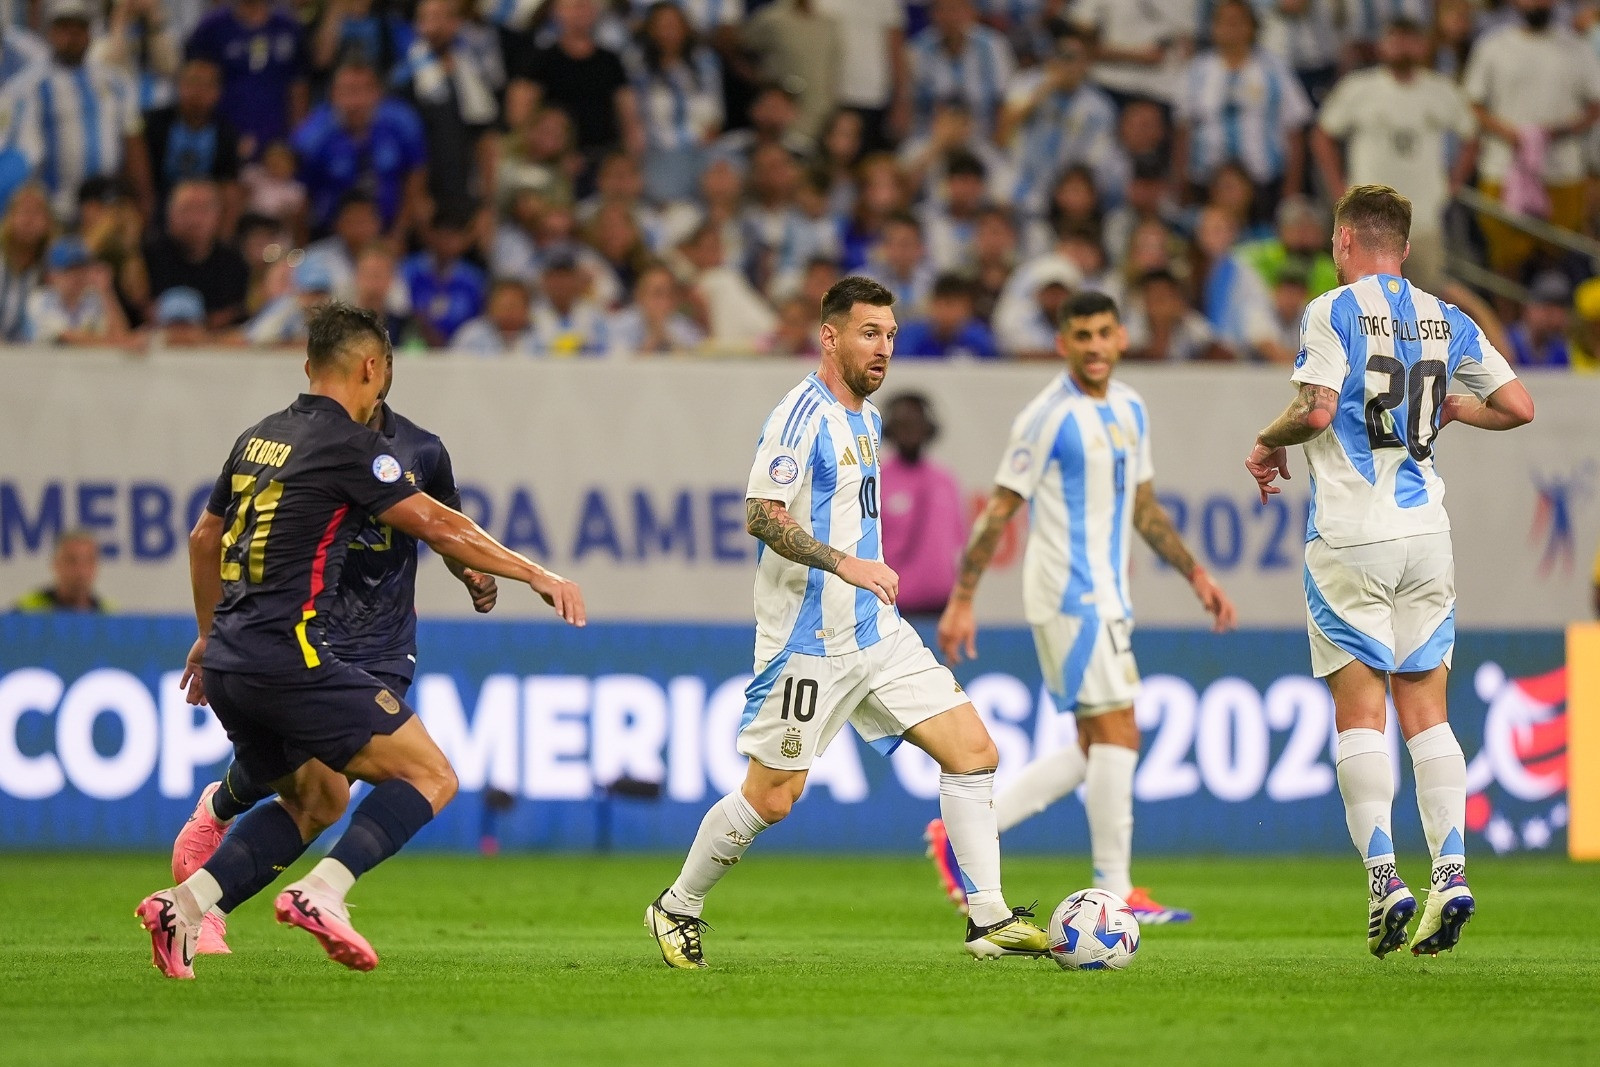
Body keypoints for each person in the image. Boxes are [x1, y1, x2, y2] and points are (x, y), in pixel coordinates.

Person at [137, 302, 585, 979]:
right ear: (373, 368)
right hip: (292, 658)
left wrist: (207, 634)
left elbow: (205, 537)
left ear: (307, 363)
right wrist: (534, 572)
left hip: (230, 660)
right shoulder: (350, 445)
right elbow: (439, 524)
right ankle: (323, 889)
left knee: (318, 798)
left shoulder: (258, 436)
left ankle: (186, 904)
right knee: (432, 775)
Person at [645, 276, 1051, 969]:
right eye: (869, 332)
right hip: (809, 641)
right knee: (773, 797)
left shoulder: (866, 417)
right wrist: (843, 562)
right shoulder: (799, 416)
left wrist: (862, 579)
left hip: (875, 631)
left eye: (891, 335)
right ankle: (677, 905)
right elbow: (760, 514)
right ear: (828, 336)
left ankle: (988, 919)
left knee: (974, 751)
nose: (884, 348)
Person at [1243, 184, 1535, 958]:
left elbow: (1313, 411)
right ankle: (1452, 870)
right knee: (1428, 714)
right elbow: (1519, 404)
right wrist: (1456, 410)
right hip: (1426, 536)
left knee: (1361, 712)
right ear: (1402, 248)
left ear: (1343, 243)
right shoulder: (1446, 316)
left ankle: (1385, 879)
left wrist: (1266, 441)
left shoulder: (1330, 309)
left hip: (1351, 534)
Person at [169, 333, 500, 956]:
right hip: (308, 633)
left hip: (380, 642)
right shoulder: (312, 445)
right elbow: (217, 538)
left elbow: (445, 525)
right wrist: (216, 630)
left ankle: (201, 905)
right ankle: (228, 813)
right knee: (342, 785)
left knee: (326, 794)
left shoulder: (420, 450)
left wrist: (472, 576)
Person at [933, 289, 1236, 926]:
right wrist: (963, 599)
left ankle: (961, 833)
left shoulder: (1130, 407)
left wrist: (1195, 574)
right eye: (1081, 336)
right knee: (1119, 733)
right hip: (1069, 595)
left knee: (1094, 743)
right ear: (1062, 343)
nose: (1095, 346)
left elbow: (1146, 510)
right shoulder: (1046, 417)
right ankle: (1116, 891)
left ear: (1121, 338)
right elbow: (998, 511)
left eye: (1104, 333)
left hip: (1109, 594)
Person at [1313, 17, 1476, 294]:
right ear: (1382, 46)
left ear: (1424, 46)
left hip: (1423, 218)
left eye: (1411, 40)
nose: (1403, 48)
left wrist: (1453, 185)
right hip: (1366, 220)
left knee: (1424, 302)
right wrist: (1339, 188)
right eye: (1395, 39)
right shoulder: (1359, 88)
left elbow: (1471, 137)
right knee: (1363, 302)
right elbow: (1322, 135)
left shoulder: (1441, 90)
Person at [1462, 0, 1600, 278]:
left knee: (1556, 262)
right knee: (1505, 263)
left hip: (1562, 171)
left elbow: (1595, 105)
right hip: (1502, 170)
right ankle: (1503, 322)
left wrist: (1557, 131)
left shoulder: (1578, 48)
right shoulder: (1493, 46)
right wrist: (1513, 135)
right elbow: (1473, 103)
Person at [1, 0, 153, 220]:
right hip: (54, 210)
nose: (72, 37)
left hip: (108, 206)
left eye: (79, 29)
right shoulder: (25, 88)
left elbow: (132, 139)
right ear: (51, 32)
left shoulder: (115, 82)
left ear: (89, 34)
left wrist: (143, 198)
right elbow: (18, 154)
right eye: (64, 29)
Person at [1173, 0, 1312, 223]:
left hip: (1265, 183)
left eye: (1238, 22)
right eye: (1224, 22)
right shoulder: (1196, 71)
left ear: (1252, 28)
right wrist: (1181, 182)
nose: (1231, 28)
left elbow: (1295, 129)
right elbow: (1183, 130)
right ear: (1213, 28)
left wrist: (1291, 190)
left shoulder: (1274, 69)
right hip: (1206, 182)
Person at [293, 62, 428, 239]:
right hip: (329, 236)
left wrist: (398, 236)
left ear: (377, 93)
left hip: (391, 231)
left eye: (363, 90)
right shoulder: (311, 138)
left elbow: (416, 179)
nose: (355, 102)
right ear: (333, 95)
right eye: (347, 91)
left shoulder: (402, 123)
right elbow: (300, 200)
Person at [185, 0, 308, 162]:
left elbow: (298, 89)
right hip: (223, 140)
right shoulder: (212, 28)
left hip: (277, 142)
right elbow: (195, 83)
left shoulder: (289, 28)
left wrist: (295, 141)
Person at [878, 392, 966, 618]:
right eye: (903, 422)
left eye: (917, 422)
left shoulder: (945, 480)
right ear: (890, 428)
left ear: (929, 427)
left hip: (942, 608)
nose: (911, 429)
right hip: (891, 608)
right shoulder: (877, 479)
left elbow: (957, 544)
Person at [142, 58, 243, 228]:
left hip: (204, 204)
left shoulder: (226, 132)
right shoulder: (155, 122)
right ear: (179, 86)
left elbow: (228, 183)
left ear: (217, 92)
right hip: (159, 201)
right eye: (192, 82)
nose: (198, 91)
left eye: (206, 85)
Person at [145, 179, 250, 329]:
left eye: (203, 209)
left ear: (218, 215)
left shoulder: (234, 264)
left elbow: (234, 313)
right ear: (169, 213)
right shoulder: (146, 258)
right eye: (186, 209)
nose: (194, 219)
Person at [25, 235, 130, 344]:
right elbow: (65, 338)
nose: (77, 276)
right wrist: (119, 343)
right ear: (51, 276)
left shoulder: (94, 299)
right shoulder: (39, 300)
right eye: (68, 270)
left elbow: (121, 335)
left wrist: (106, 291)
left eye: (82, 269)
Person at [11, 528, 105, 611]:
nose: (81, 570)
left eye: (88, 561)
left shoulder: (110, 615)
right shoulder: (26, 611)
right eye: (72, 561)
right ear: (55, 564)